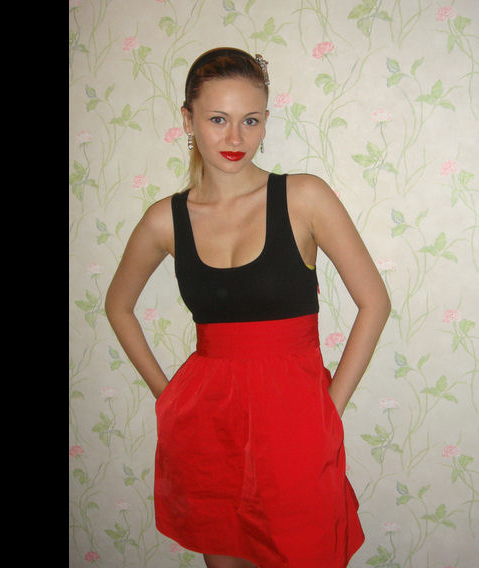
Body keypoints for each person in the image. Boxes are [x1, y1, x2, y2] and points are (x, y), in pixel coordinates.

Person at [105, 47, 391, 568]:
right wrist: (169, 398)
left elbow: (374, 302)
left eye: (250, 121)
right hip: (206, 431)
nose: (235, 138)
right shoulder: (165, 220)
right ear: (188, 120)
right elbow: (118, 307)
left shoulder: (304, 197)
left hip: (295, 426)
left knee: (307, 552)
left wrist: (329, 408)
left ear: (264, 122)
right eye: (218, 119)